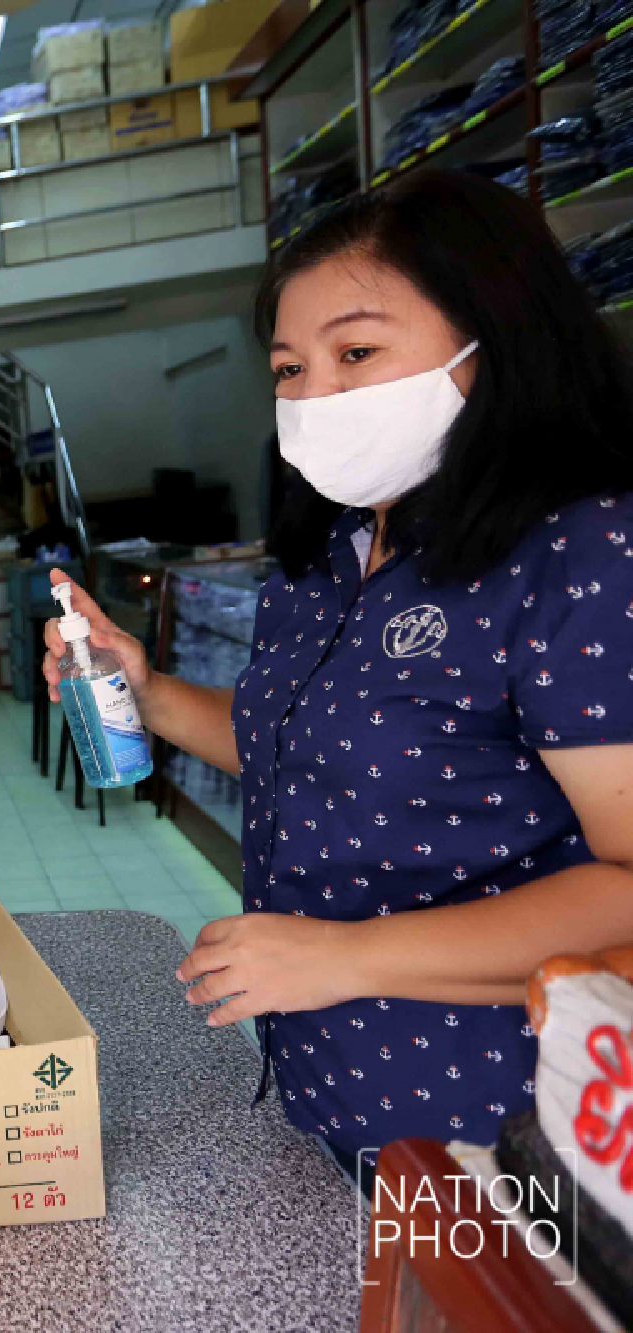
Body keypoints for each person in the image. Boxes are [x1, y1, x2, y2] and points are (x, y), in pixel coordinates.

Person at [44, 170, 633, 1180]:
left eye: (354, 352)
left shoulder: (577, 554)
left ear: (490, 343)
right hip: (333, 1098)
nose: (312, 396)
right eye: (285, 369)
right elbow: (302, 752)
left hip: (512, 1125)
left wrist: (340, 956)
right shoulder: (333, 556)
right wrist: (141, 689)